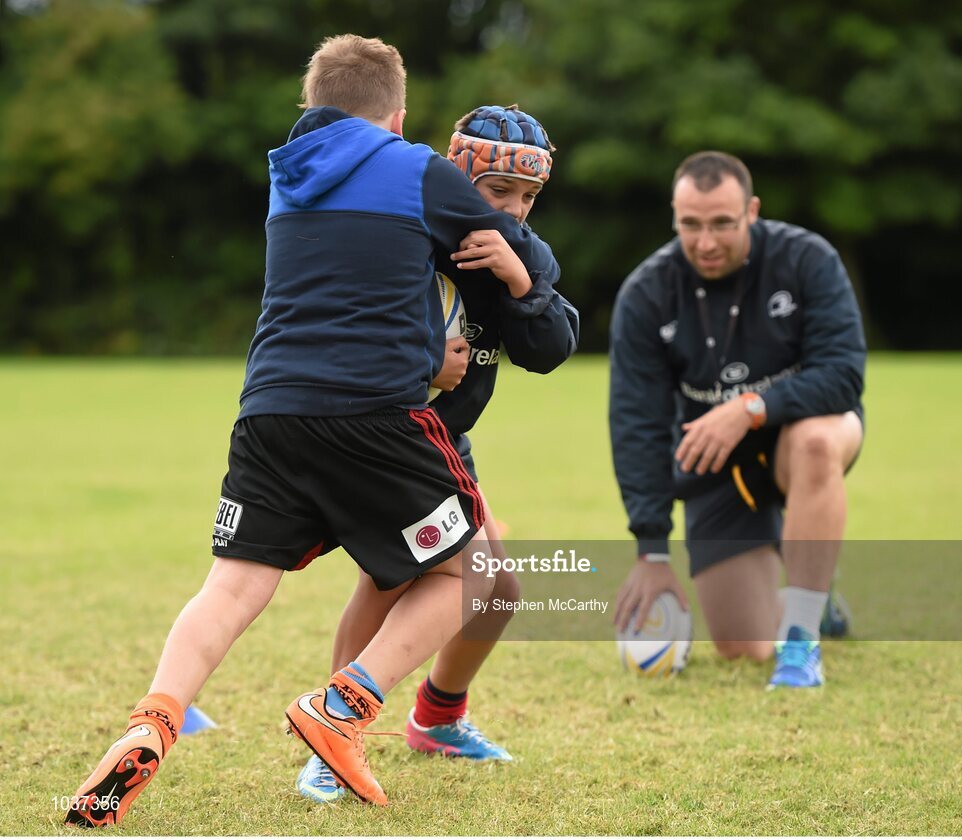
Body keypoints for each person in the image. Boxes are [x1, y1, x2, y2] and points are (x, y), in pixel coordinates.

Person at [64, 35, 562, 826]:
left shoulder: (286, 175)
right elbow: (514, 247)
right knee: (478, 573)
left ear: (309, 109)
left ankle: (152, 719)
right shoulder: (418, 172)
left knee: (231, 586)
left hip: (267, 413)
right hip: (371, 416)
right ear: (398, 120)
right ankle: (345, 705)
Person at [295, 104, 579, 803]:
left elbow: (549, 350)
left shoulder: (522, 249)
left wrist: (519, 281)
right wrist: (423, 365)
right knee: (392, 580)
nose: (513, 210)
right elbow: (343, 319)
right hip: (377, 433)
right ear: (456, 173)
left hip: (445, 443)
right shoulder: (400, 226)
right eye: (497, 193)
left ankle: (438, 717)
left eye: (527, 198)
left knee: (497, 590)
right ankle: (334, 735)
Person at [609, 151, 865, 689]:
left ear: (751, 210)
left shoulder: (808, 259)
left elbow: (843, 376)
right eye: (690, 225)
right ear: (674, 215)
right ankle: (816, 594)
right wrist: (651, 548)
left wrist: (750, 410)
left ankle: (801, 641)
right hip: (719, 466)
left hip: (805, 440)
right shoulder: (646, 293)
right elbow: (638, 423)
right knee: (742, 647)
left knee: (816, 441)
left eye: (722, 223)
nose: (705, 242)